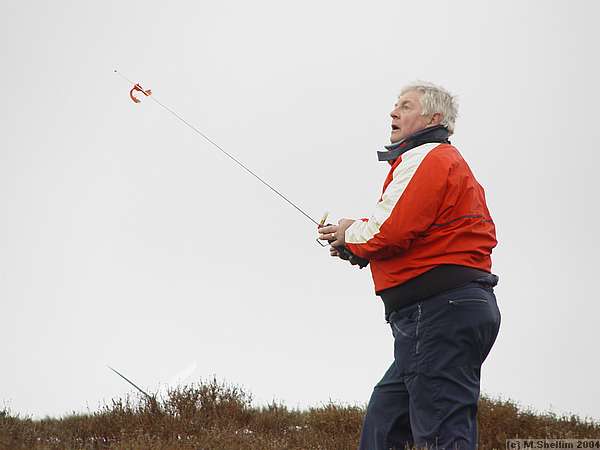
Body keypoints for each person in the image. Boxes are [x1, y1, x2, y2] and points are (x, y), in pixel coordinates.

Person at [318, 82, 501, 449]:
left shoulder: (428, 157)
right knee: (384, 423)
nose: (393, 112)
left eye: (405, 106)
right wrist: (356, 247)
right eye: (395, 105)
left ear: (434, 118)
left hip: (437, 314)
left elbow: (387, 230)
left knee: (441, 434)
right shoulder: (444, 162)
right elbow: (418, 236)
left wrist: (348, 232)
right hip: (448, 312)